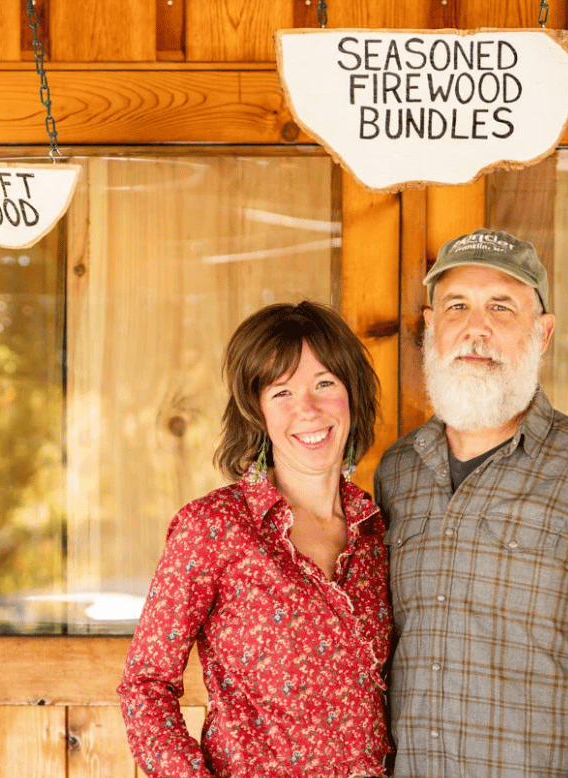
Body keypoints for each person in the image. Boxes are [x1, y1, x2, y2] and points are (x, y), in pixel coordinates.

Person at [375, 229, 568, 778]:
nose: (475, 329)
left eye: (501, 307)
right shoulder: (398, 472)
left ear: (543, 333)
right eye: (457, 306)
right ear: (431, 324)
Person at [118, 300, 392, 778]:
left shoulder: (378, 530)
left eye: (325, 384)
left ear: (351, 395)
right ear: (257, 411)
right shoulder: (214, 527)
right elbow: (145, 684)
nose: (308, 409)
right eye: (281, 392)